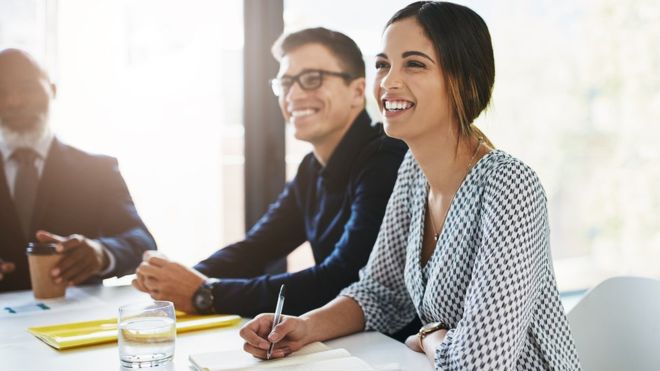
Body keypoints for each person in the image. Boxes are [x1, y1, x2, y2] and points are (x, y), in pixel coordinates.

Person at [238, 2, 581, 370]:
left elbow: (479, 364)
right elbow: (379, 292)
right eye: (383, 65)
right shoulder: (413, 173)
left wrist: (427, 335)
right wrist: (304, 327)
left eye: (414, 64)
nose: (388, 82)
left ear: (465, 82)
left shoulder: (509, 186)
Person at [132, 28, 408, 320]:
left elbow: (341, 279)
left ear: (356, 91)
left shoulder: (384, 161)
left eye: (312, 79)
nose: (295, 94)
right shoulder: (312, 168)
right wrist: (176, 279)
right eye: (286, 82)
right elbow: (257, 248)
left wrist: (206, 293)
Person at [0, 48, 157, 292]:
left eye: (27, 87)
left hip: (76, 321)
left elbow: (142, 242)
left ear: (52, 89)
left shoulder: (98, 171)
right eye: (1, 91)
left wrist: (101, 253)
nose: (14, 101)